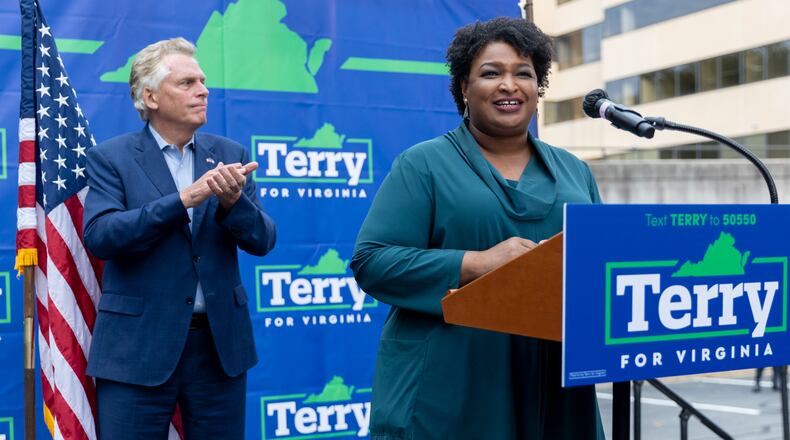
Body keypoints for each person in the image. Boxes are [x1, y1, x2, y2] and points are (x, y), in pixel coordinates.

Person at [351, 17, 604, 439]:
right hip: (453, 385)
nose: (509, 85)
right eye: (491, 73)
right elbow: (372, 260)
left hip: (556, 382)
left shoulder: (575, 172)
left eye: (523, 73)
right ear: (464, 88)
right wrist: (477, 263)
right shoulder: (424, 164)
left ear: (537, 88)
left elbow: (599, 267)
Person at [83, 38, 276, 439]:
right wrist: (183, 199)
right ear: (150, 96)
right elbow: (101, 236)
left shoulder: (229, 154)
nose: (203, 90)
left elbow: (263, 240)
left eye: (202, 81)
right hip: (136, 349)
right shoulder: (111, 157)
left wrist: (233, 202)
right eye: (187, 82)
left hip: (218, 348)